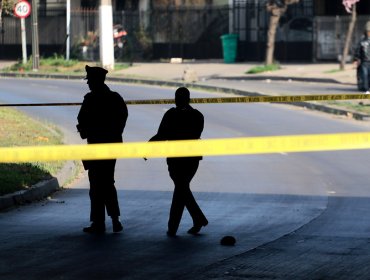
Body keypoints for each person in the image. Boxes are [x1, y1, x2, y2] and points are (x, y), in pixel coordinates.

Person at [148, 87, 208, 237]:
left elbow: (161, 135)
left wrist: (148, 148)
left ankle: (178, 226)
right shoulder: (197, 115)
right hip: (192, 158)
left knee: (181, 189)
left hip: (175, 158)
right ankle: (194, 220)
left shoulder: (171, 115)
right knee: (182, 189)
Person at [77, 65, 128, 233]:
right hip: (111, 147)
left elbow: (81, 120)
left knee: (96, 185)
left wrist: (87, 130)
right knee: (107, 182)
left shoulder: (90, 99)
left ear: (96, 81)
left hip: (95, 146)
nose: (88, 84)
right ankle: (114, 219)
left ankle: (98, 222)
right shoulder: (115, 98)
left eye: (90, 81)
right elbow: (122, 118)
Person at [354, 21, 370, 93]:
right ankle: (366, 89)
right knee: (365, 75)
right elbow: (358, 49)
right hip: (364, 61)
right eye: (368, 31)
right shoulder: (362, 40)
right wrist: (356, 59)